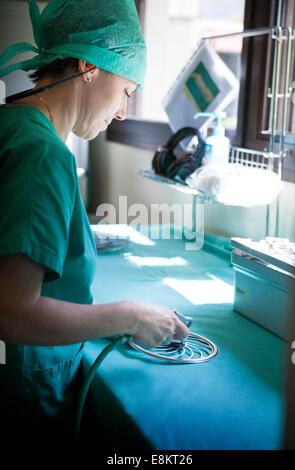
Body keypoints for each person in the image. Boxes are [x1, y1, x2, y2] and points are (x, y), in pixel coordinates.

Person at [0, 0, 189, 448]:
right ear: (88, 66)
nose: (124, 112)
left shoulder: (11, 122)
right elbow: (11, 312)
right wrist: (129, 315)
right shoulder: (43, 151)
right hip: (23, 390)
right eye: (126, 90)